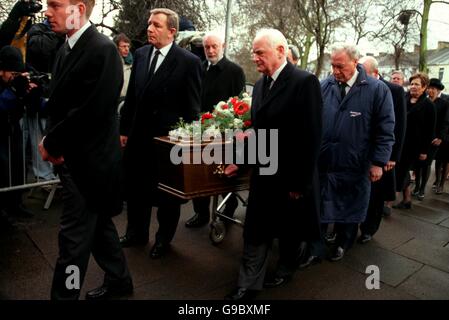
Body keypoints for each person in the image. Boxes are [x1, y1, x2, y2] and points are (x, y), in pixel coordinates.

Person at [39, 0, 132, 300]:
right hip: (75, 161)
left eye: (54, 5)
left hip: (89, 166)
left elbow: (90, 111)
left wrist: (50, 142)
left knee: (73, 244)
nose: (46, 12)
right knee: (99, 228)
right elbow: (63, 102)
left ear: (78, 8)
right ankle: (119, 281)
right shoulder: (66, 46)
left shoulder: (102, 50)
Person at [224, 28, 322, 301]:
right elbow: (258, 130)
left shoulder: (305, 82)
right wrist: (240, 162)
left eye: (259, 52)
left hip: (291, 177)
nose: (254, 57)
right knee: (255, 229)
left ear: (281, 51)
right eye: (253, 52)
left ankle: (288, 265)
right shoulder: (259, 85)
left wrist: (299, 184)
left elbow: (311, 137)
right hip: (264, 174)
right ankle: (247, 285)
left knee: (289, 231)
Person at [119, 8, 202, 259]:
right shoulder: (142, 54)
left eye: (156, 25)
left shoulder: (189, 62)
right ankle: (136, 233)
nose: (150, 29)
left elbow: (192, 108)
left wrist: (187, 144)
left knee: (167, 196)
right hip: (138, 138)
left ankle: (163, 240)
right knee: (136, 190)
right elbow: (132, 96)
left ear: (172, 31)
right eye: (149, 24)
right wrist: (124, 130)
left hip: (168, 143)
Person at [319, 44, 395, 261]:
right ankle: (318, 246)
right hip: (327, 161)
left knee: (351, 205)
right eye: (332, 65)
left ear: (356, 62)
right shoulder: (325, 85)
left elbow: (385, 128)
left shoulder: (377, 90)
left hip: (356, 163)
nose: (335, 71)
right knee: (324, 203)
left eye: (340, 66)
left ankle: (344, 242)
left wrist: (379, 162)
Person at [185, 31, 246, 228]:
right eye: (207, 47)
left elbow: (239, 104)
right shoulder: (199, 68)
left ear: (223, 46)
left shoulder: (235, 71)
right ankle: (201, 213)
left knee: (221, 175)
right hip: (200, 130)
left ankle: (227, 209)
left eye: (214, 46)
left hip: (224, 132)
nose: (210, 51)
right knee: (199, 173)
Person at [357, 56, 406, 243]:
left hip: (382, 152)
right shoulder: (357, 86)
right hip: (360, 150)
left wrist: (392, 156)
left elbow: (399, 125)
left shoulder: (394, 90)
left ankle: (369, 228)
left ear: (375, 73)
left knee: (376, 194)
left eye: (363, 71)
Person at [0, 45, 35, 225]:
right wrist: (14, 90)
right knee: (3, 169)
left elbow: (30, 105)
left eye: (17, 74)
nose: (14, 77)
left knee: (18, 165)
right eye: (11, 73)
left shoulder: (14, 82)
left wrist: (30, 93)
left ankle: (15, 202)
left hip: (13, 129)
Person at [393, 73, 435, 210]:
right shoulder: (403, 99)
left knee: (402, 171)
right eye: (411, 84)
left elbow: (429, 130)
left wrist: (424, 151)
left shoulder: (428, 105)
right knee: (401, 171)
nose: (413, 87)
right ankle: (407, 199)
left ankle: (388, 202)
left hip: (414, 147)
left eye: (417, 84)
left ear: (424, 88)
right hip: (399, 143)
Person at [426, 78, 449, 194]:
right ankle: (437, 180)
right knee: (437, 161)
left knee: (444, 161)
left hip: (444, 136)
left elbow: (446, 121)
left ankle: (441, 184)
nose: (430, 90)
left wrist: (441, 137)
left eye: (433, 88)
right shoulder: (426, 101)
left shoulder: (445, 102)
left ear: (438, 90)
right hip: (432, 135)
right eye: (429, 88)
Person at [113, 33, 132, 114]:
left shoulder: (131, 63)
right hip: (113, 101)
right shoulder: (111, 63)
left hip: (127, 101)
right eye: (124, 46)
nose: (127, 49)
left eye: (128, 46)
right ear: (117, 47)